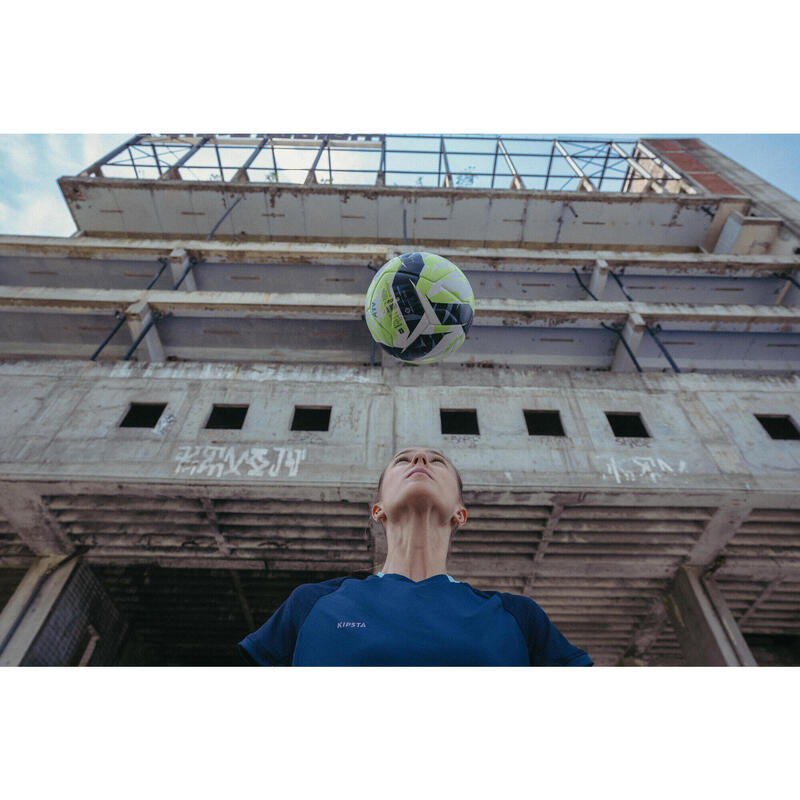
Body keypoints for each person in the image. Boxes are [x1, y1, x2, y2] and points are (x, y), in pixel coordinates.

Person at [238, 446, 593, 666]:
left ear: (460, 513)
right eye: (403, 460)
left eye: (436, 460)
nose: (420, 459)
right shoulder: (311, 604)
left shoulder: (519, 616)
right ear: (376, 510)